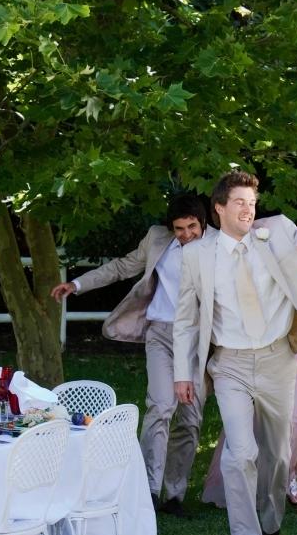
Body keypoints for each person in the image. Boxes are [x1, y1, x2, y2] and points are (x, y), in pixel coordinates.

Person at [172, 170, 297, 535]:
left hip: (277, 360)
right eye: (239, 202)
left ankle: (271, 524)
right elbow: (184, 320)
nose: (248, 209)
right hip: (230, 365)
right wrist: (183, 373)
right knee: (241, 454)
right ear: (219, 208)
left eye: (252, 202)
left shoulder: (277, 232)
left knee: (276, 456)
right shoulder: (196, 255)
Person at [51, 194, 213, 516]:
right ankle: (147, 491)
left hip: (199, 340)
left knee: (191, 419)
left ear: (203, 221)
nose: (185, 234)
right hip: (160, 334)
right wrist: (78, 284)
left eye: (192, 226)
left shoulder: (220, 246)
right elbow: (123, 266)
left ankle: (174, 495)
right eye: (179, 228)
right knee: (160, 406)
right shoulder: (157, 239)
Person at [201, 349, 297, 508]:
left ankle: (289, 476)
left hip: (291, 359)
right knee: (252, 421)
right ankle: (238, 484)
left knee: (293, 422)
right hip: (258, 358)